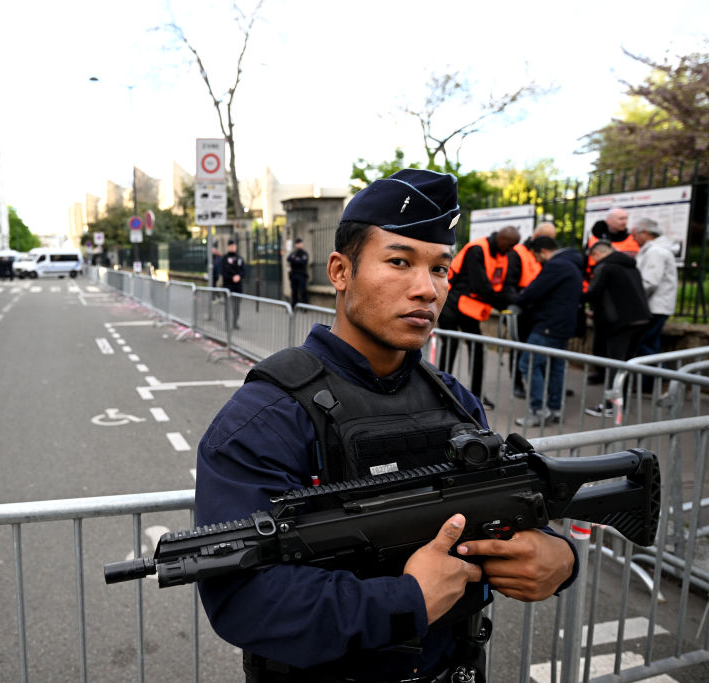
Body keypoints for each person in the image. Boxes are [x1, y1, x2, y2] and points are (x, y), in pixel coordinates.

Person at [195, 169, 576, 682]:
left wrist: (559, 555)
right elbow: (242, 597)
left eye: (440, 269)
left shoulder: (455, 401)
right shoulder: (267, 417)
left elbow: (506, 504)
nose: (426, 289)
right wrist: (406, 600)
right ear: (340, 271)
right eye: (399, 262)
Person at [438, 225, 521, 407]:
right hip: (451, 303)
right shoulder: (477, 249)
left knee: (477, 348)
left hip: (470, 307)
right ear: (502, 240)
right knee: (450, 346)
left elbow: (503, 285)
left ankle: (476, 395)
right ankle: (441, 392)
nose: (511, 249)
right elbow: (480, 284)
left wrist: (514, 303)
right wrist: (500, 305)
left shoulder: (503, 255)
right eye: (510, 245)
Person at [512, 236, 584, 427]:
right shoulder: (572, 263)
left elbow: (533, 291)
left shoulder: (557, 265)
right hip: (564, 325)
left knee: (528, 363)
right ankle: (554, 408)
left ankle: (538, 411)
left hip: (548, 324)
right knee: (556, 366)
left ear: (543, 251)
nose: (536, 260)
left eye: (536, 255)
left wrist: (517, 300)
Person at [583, 240, 651, 417]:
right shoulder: (631, 265)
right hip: (641, 319)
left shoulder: (605, 267)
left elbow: (593, 293)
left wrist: (581, 300)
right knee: (627, 363)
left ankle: (611, 406)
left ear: (597, 254)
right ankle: (621, 403)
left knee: (615, 364)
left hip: (618, 323)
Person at [584, 208, 640, 385]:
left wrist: (579, 299)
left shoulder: (632, 241)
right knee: (603, 346)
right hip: (609, 306)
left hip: (618, 311)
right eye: (620, 218)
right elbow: (587, 271)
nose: (625, 221)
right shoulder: (595, 238)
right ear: (609, 220)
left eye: (626, 218)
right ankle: (606, 377)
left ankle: (614, 396)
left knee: (618, 356)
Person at [508, 223, 556, 398]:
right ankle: (517, 383)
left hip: (539, 308)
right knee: (519, 346)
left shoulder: (546, 254)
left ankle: (542, 384)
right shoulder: (519, 252)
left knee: (540, 349)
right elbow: (510, 282)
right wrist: (519, 302)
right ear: (537, 236)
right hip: (523, 308)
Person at [633, 218, 677, 358]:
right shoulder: (656, 250)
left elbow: (649, 282)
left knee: (644, 344)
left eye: (635, 235)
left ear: (645, 233)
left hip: (654, 307)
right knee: (650, 343)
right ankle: (660, 377)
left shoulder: (655, 252)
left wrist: (636, 301)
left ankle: (659, 376)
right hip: (657, 306)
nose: (634, 239)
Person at [222, 239, 245, 329]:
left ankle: (235, 322)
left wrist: (239, 276)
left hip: (237, 286)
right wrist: (232, 278)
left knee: (237, 306)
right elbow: (223, 272)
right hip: (228, 285)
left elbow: (243, 271)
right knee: (228, 306)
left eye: (234, 246)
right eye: (231, 246)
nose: (233, 248)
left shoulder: (239, 258)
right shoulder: (225, 258)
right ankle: (227, 323)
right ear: (228, 247)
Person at [287, 237, 310, 305]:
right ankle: (294, 306)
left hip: (302, 275)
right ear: (295, 245)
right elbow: (288, 258)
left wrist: (295, 260)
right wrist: (297, 260)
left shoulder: (304, 253)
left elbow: (303, 261)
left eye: (300, 243)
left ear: (302, 244)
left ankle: (304, 306)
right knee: (294, 291)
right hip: (294, 275)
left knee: (303, 291)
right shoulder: (293, 253)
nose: (299, 245)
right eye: (297, 243)